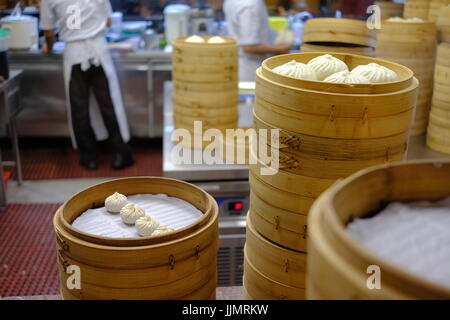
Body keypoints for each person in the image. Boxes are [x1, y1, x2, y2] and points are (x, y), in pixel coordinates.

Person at [40, 0, 134, 170]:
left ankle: (89, 156)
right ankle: (121, 152)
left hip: (74, 53)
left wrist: (48, 47)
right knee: (108, 104)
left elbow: (48, 32)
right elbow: (108, 21)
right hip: (98, 49)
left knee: (79, 108)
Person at [223, 0, 291, 81]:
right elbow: (250, 47)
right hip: (252, 68)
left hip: (240, 63)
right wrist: (279, 49)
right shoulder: (250, 5)